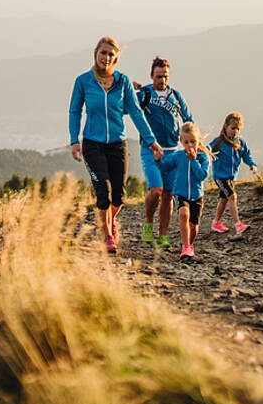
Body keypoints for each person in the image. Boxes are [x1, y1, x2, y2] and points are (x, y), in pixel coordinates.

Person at [69, 36, 163, 254]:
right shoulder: (83, 81)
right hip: (92, 143)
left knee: (119, 196)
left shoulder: (123, 82)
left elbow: (137, 113)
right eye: (103, 53)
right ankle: (108, 236)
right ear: (96, 53)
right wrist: (74, 140)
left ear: (116, 58)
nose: (106, 57)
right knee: (103, 190)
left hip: (117, 144)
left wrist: (151, 141)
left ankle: (110, 220)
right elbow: (75, 111)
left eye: (111, 54)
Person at [134, 57, 193, 248]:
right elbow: (128, 107)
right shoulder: (145, 94)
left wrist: (192, 142)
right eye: (159, 76)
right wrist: (133, 89)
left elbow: (188, 118)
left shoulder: (175, 95)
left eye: (165, 76)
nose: (162, 80)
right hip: (151, 149)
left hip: (172, 150)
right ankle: (149, 223)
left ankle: (163, 235)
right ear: (152, 75)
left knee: (168, 193)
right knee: (156, 190)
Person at [159, 122, 210, 259]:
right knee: (183, 213)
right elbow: (165, 167)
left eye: (193, 142)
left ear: (198, 141)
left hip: (196, 196)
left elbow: (202, 176)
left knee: (194, 227)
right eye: (186, 142)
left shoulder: (203, 158)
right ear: (181, 141)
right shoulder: (178, 155)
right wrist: (158, 160)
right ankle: (186, 247)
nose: (190, 145)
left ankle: (189, 246)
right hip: (180, 192)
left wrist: (194, 161)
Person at [209, 112, 258, 235]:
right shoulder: (218, 142)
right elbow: (207, 150)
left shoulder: (240, 143)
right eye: (233, 128)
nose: (235, 131)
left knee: (224, 199)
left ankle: (216, 223)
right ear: (225, 126)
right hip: (220, 176)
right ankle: (238, 225)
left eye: (237, 129)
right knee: (232, 196)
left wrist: (252, 165)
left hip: (231, 177)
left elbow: (246, 155)